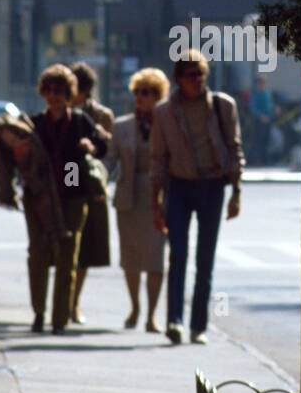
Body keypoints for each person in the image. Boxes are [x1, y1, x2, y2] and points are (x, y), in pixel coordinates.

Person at [150, 49, 243, 345]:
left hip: (213, 186)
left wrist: (236, 191)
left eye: (201, 74)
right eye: (192, 75)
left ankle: (198, 326)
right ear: (179, 79)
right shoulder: (164, 112)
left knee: (206, 260)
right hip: (179, 186)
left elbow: (234, 148)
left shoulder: (222, 106)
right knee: (177, 255)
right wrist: (156, 201)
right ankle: (174, 321)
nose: (198, 80)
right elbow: (158, 158)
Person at [24, 64, 108, 334]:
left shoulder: (81, 121)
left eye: (59, 90)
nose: (53, 95)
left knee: (67, 258)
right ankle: (38, 313)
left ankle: (59, 319)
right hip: (39, 198)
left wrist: (90, 147)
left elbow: (103, 145)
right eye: (48, 90)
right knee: (37, 254)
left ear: (69, 93)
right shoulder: (34, 123)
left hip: (72, 196)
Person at [106, 67, 170, 333]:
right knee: (130, 258)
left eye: (147, 93)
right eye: (137, 92)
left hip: (158, 199)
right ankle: (134, 307)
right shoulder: (121, 126)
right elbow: (108, 161)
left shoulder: (167, 125)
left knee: (155, 259)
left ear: (159, 95)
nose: (141, 97)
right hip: (128, 198)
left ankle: (152, 315)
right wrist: (91, 178)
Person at [68, 62, 113, 325]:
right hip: (67, 183)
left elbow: (109, 157)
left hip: (91, 189)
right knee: (64, 246)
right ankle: (64, 302)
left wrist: (100, 181)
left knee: (84, 249)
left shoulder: (100, 116)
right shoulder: (60, 111)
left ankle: (74, 303)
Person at [249, 74, 275, 165]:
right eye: (261, 83)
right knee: (258, 141)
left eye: (264, 83)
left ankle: (266, 160)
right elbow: (253, 108)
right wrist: (261, 116)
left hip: (268, 121)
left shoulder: (268, 93)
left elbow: (270, 105)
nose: (262, 85)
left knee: (267, 141)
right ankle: (256, 160)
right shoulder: (255, 94)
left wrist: (273, 111)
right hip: (259, 122)